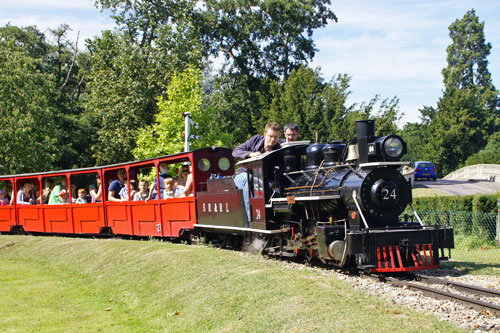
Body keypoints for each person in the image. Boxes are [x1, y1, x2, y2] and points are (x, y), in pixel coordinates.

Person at [232, 122, 281, 221]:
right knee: (250, 180)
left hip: (264, 178)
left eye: (275, 137)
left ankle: (275, 218)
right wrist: (250, 154)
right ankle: (253, 219)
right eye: (270, 136)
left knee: (277, 189)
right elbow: (235, 151)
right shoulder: (255, 140)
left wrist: (277, 180)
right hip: (243, 174)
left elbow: (279, 168)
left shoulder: (278, 149)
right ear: (265, 134)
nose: (273, 140)